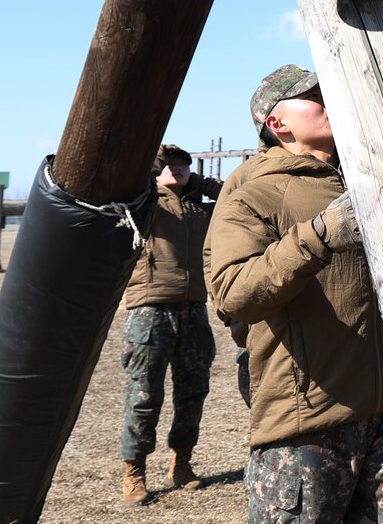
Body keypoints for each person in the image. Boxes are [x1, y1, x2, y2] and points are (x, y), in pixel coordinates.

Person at [206, 65, 383, 523]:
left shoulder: (377, 181)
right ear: (277, 124)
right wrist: (319, 236)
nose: (330, 102)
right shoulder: (255, 194)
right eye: (315, 98)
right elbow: (232, 293)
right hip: (307, 424)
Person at [118, 143, 223, 504]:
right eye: (170, 164)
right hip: (150, 309)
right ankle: (134, 473)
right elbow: (131, 184)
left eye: (184, 165)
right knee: (145, 395)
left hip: (194, 307)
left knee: (193, 392)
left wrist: (201, 182)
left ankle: (182, 462)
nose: (178, 169)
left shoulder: (200, 208)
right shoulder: (144, 204)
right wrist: (158, 160)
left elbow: (236, 198)